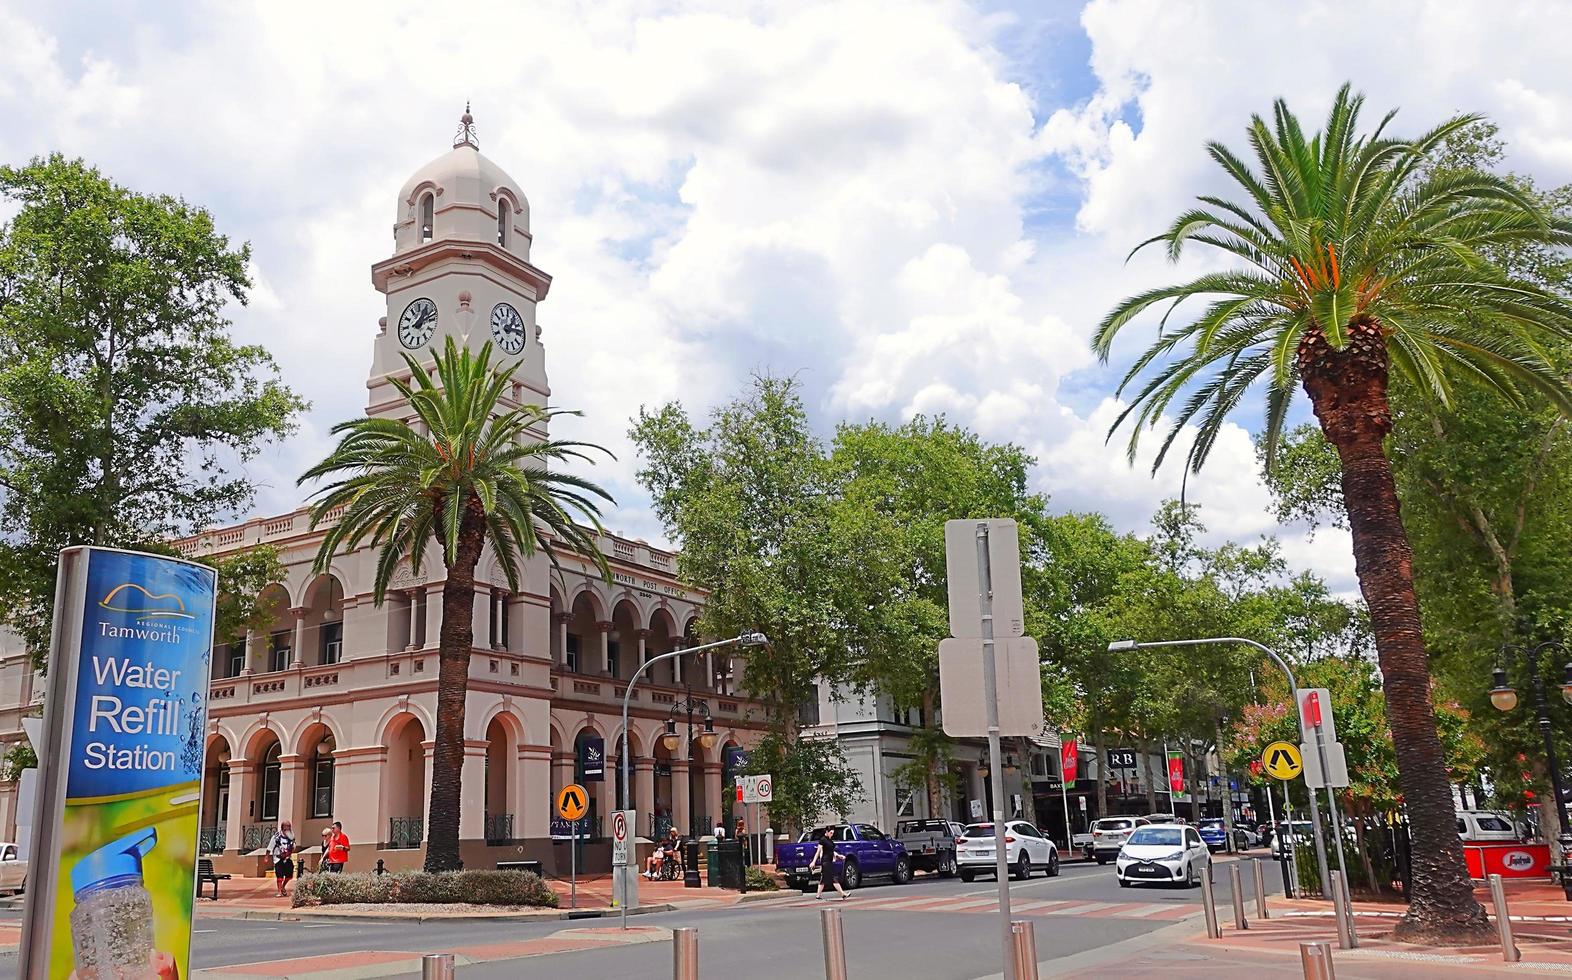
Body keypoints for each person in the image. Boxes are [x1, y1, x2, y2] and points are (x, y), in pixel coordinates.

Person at [808, 826, 848, 900]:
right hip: (825, 861)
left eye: (832, 833)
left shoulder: (829, 840)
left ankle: (818, 895)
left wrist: (839, 856)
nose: (831, 834)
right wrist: (813, 862)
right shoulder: (822, 840)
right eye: (830, 833)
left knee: (823, 879)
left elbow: (831, 851)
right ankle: (843, 894)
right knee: (833, 878)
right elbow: (818, 852)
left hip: (829, 861)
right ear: (826, 832)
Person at [267, 820, 296, 897]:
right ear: (283, 827)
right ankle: (279, 891)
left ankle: (283, 886)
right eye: (287, 826)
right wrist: (266, 856)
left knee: (289, 875)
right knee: (279, 876)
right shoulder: (276, 837)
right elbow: (270, 847)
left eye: (290, 826)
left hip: (287, 858)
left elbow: (293, 846)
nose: (289, 828)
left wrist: (291, 850)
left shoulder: (291, 836)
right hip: (278, 858)